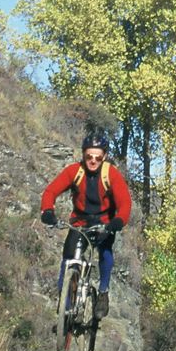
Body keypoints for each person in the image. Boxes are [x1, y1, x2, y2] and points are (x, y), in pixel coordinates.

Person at [39, 133, 131, 319]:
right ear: (83, 155)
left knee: (105, 253)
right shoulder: (74, 171)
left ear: (104, 156)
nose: (93, 161)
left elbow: (125, 202)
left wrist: (118, 221)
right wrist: (47, 211)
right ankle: (64, 303)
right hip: (80, 221)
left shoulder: (110, 174)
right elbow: (51, 191)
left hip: (105, 222)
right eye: (89, 156)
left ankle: (103, 292)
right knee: (67, 258)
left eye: (98, 157)